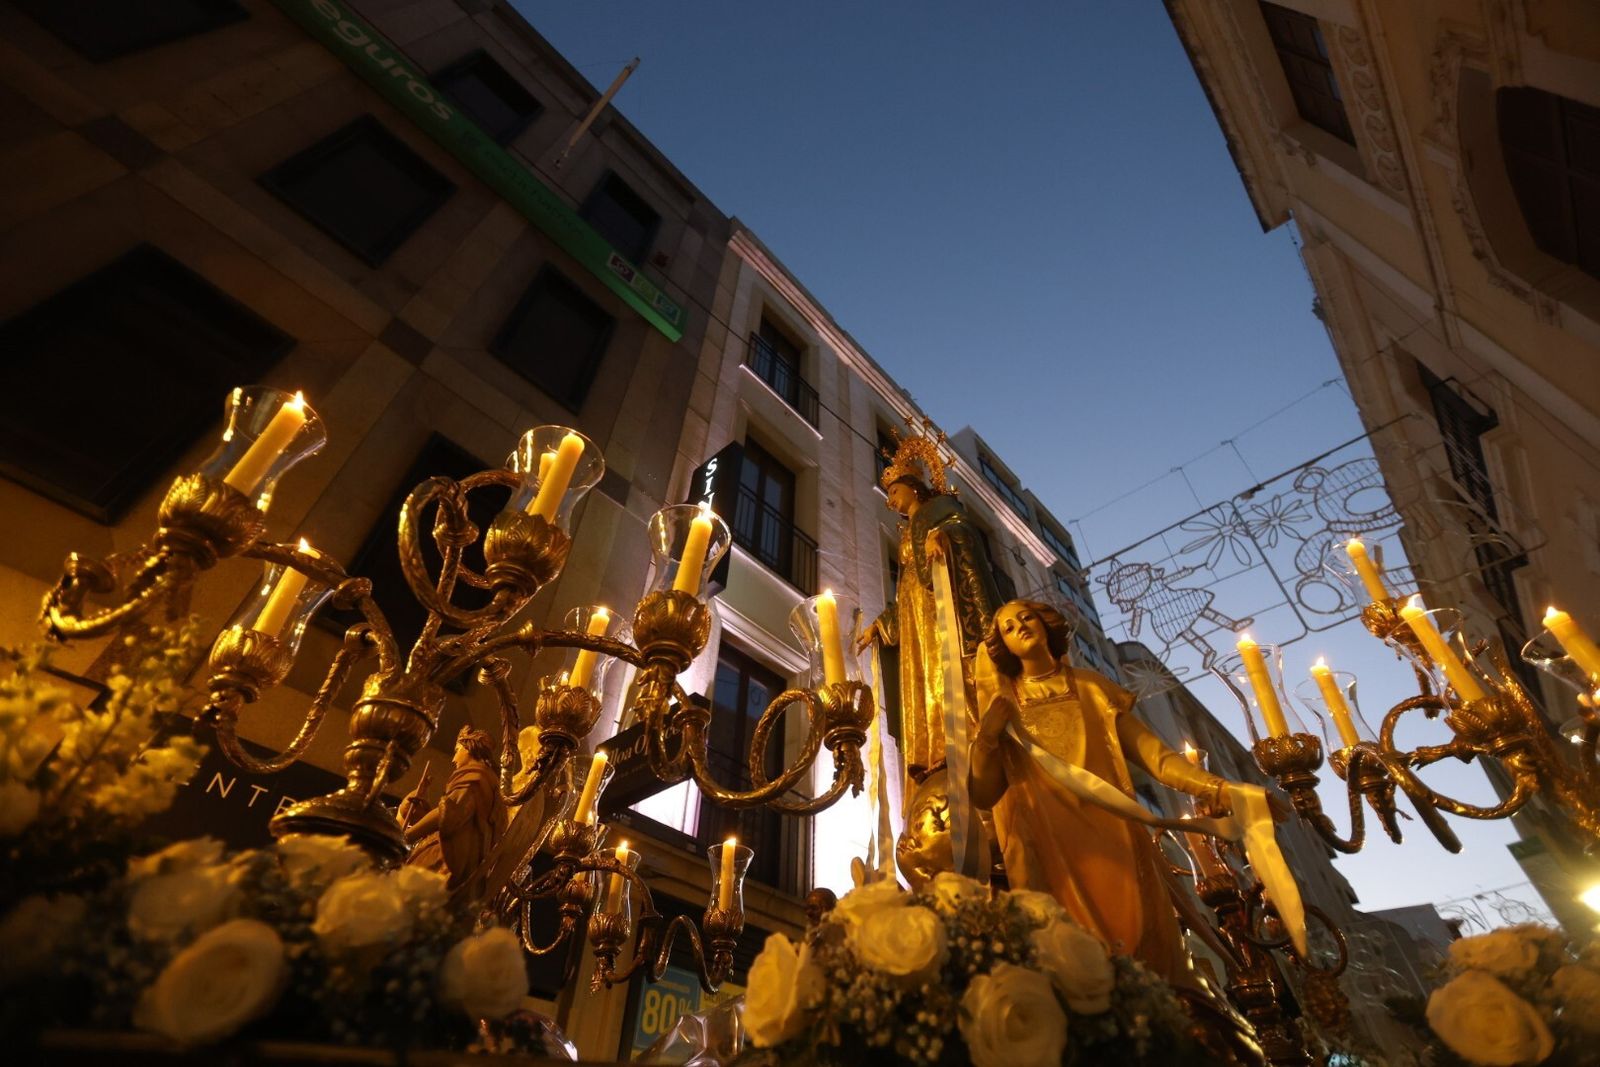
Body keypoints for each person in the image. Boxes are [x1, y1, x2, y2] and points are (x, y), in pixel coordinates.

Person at [969, 599, 1249, 982]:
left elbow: (1157, 759)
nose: (1019, 626)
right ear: (1002, 646)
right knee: (1066, 960)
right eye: (1007, 627)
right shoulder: (1006, 706)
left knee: (1143, 959)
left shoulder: (1092, 688)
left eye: (1026, 616)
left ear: (1045, 622)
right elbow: (983, 794)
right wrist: (986, 738)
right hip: (1046, 850)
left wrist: (1221, 789)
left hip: (1116, 843)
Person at [858, 422, 1002, 783]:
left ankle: (963, 739)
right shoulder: (908, 530)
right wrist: (882, 624)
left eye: (893, 491)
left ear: (912, 486)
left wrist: (944, 537)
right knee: (924, 678)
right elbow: (904, 585)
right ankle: (934, 749)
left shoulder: (940, 510)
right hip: (914, 616)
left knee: (947, 671)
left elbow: (963, 532)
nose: (889, 501)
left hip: (942, 611)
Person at [400, 725, 508, 901]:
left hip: (449, 862)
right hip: (468, 864)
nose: (453, 759)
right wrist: (425, 811)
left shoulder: (475, 776)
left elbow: (450, 815)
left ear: (469, 748)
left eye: (457, 750)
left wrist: (408, 836)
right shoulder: (488, 782)